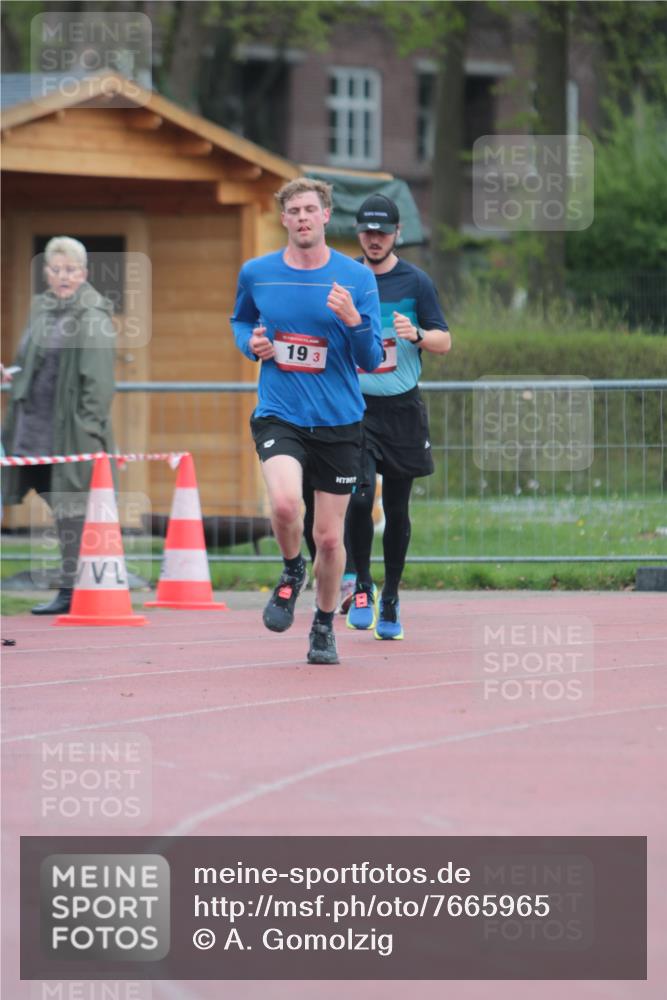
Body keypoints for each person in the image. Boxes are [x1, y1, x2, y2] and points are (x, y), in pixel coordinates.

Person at [230, 177, 383, 665]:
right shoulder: (258, 273)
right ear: (283, 219)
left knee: (331, 538)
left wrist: (353, 320)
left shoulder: (355, 279)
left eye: (309, 210)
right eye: (293, 210)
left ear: (325, 216)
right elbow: (241, 321)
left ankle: (322, 624)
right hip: (281, 413)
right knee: (283, 503)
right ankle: (293, 568)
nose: (301, 218)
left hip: (338, 420)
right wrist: (251, 343)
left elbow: (372, 356)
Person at [342, 193, 451, 639]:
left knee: (397, 507)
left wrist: (418, 334)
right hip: (356, 409)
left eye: (383, 232)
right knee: (360, 497)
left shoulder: (416, 282)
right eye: (368, 232)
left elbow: (445, 341)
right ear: (358, 233)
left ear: (397, 234)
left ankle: (390, 595)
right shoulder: (346, 278)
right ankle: (362, 585)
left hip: (402, 407)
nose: (375, 239)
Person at [1, 237, 116, 615]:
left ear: (84, 273)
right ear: (46, 273)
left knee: (72, 508)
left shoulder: (92, 315)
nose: (63, 276)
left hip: (72, 433)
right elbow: (35, 363)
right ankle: (78, 584)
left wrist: (87, 432)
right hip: (34, 428)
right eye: (55, 269)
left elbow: (98, 384)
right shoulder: (43, 309)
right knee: (57, 502)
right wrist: (11, 374)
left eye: (71, 269)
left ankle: (73, 590)